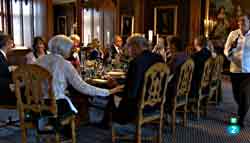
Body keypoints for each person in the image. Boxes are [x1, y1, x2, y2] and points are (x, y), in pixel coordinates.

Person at [35, 35, 123, 135]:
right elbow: (83, 87)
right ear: (64, 49)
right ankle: (58, 126)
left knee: (70, 98)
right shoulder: (64, 64)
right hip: (55, 105)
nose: (72, 51)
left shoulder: (39, 60)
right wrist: (109, 92)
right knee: (69, 105)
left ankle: (51, 125)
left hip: (36, 103)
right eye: (70, 48)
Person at [112, 34, 164, 124]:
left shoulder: (136, 62)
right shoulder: (159, 58)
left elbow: (131, 93)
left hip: (139, 106)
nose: (128, 50)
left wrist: (116, 86)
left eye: (128, 46)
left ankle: (109, 121)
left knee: (112, 93)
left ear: (135, 46)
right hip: (157, 103)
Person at [224, 14, 250, 127]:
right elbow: (226, 50)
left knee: (245, 95)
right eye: (239, 21)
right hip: (235, 70)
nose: (240, 23)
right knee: (236, 96)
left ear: (249, 22)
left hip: (248, 71)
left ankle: (241, 118)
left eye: (243, 21)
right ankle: (243, 108)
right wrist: (230, 51)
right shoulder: (233, 34)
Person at [165, 36, 188, 112]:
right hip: (184, 86)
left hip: (175, 87)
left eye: (168, 45)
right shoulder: (185, 55)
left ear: (173, 46)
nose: (167, 47)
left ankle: (163, 110)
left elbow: (167, 71)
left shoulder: (176, 57)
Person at [0, 34, 16, 105]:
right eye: (12, 43)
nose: (12, 46)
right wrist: (11, 68)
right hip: (2, 83)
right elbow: (1, 70)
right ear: (7, 43)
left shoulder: (3, 54)